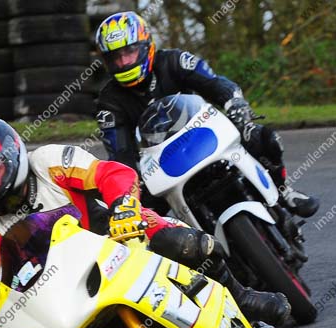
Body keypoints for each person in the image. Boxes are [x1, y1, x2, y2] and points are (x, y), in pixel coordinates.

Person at [0, 117, 290, 327]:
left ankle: (240, 297)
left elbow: (111, 173)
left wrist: (124, 206)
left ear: (12, 153)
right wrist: (7, 319)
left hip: (116, 238)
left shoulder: (48, 161)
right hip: (60, 291)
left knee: (190, 244)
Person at [94, 11, 319, 218]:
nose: (124, 62)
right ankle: (189, 249)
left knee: (261, 137)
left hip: (201, 135)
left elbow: (215, 83)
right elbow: (119, 151)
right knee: (134, 208)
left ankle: (284, 191)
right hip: (160, 163)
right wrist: (131, 180)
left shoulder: (174, 61)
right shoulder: (109, 101)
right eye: (116, 57)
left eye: (129, 52)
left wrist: (235, 103)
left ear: (145, 46)